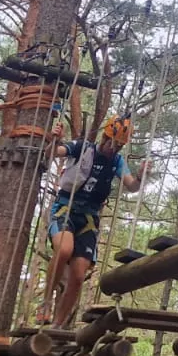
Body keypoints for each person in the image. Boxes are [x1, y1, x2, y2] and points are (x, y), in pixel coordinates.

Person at [38, 115, 140, 325]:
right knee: (64, 250)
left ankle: (58, 324)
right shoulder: (83, 148)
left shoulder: (117, 162)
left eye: (119, 146)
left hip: (89, 218)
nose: (114, 148)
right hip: (66, 208)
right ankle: (46, 302)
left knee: (78, 275)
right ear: (104, 137)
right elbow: (53, 154)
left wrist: (141, 176)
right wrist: (55, 140)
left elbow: (132, 186)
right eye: (112, 143)